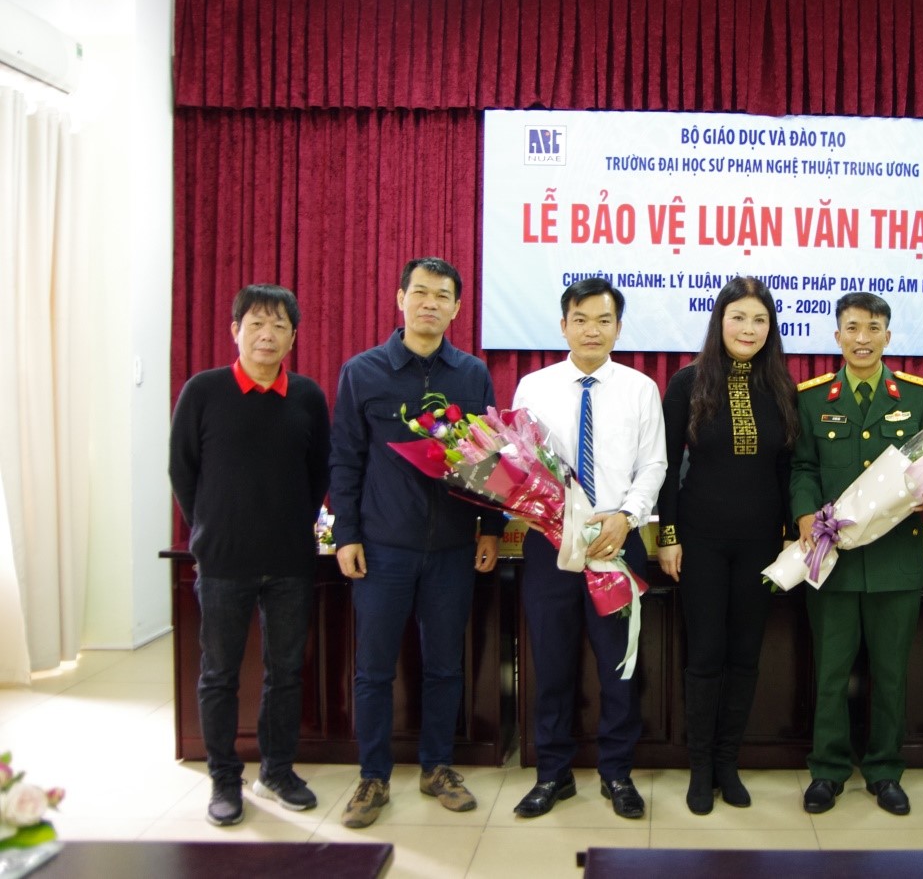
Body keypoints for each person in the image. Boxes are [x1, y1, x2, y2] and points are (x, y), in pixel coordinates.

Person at [329, 257, 504, 829]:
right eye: (421, 292)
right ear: (400, 298)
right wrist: (347, 535)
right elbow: (345, 458)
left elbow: (491, 458)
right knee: (374, 668)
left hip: (452, 547)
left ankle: (437, 767)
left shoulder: (471, 374)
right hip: (383, 548)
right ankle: (372, 777)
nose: (430, 303)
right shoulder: (363, 371)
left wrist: (491, 529)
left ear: (457, 308)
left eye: (442, 295)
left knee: (444, 666)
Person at [169, 284, 331, 827]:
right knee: (219, 673)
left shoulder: (307, 396)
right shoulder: (203, 391)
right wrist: (209, 528)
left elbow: (318, 473)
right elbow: (182, 469)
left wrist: (293, 524)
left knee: (285, 673)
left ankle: (277, 771)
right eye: (257, 324)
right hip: (223, 561)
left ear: (293, 337)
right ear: (235, 330)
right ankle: (223, 777)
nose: (267, 335)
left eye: (279, 326)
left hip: (290, 561)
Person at [511, 277, 667, 820]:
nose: (592, 330)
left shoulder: (640, 389)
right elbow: (520, 463)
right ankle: (552, 774)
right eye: (581, 319)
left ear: (618, 328)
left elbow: (654, 464)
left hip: (617, 544)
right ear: (563, 326)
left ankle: (617, 772)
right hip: (550, 546)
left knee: (619, 666)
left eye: (604, 321)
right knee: (552, 663)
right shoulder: (533, 387)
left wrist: (626, 517)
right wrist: (548, 515)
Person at [789, 292, 923, 817]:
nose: (863, 338)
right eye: (853, 328)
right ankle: (827, 770)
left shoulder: (917, 396)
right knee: (831, 673)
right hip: (831, 559)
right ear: (837, 336)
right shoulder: (813, 397)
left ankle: (884, 770)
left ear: (888, 336)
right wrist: (805, 513)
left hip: (894, 561)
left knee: (891, 674)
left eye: (873, 328)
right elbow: (803, 467)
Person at [657, 276, 799, 814]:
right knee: (706, 654)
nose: (748, 328)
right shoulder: (688, 383)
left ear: (770, 328)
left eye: (759, 319)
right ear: (720, 321)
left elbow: (787, 469)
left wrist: (793, 536)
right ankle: (699, 769)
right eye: (738, 317)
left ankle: (727, 763)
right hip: (701, 540)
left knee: (745, 654)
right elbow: (666, 466)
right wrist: (669, 536)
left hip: (761, 543)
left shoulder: (781, 386)